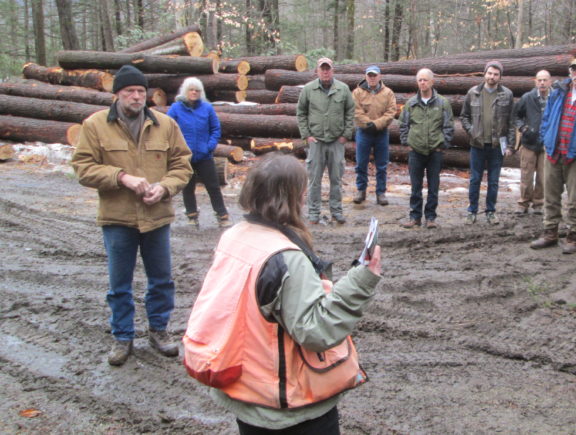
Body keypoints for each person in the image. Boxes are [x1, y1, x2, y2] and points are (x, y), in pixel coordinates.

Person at [187, 153, 381, 434]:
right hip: (291, 407)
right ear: (295, 197)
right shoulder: (285, 258)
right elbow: (316, 331)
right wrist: (363, 280)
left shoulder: (235, 235)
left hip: (250, 393)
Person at [71, 65, 192, 366]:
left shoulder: (165, 124)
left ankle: (159, 331)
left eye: (141, 91)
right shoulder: (95, 125)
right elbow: (83, 168)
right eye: (130, 92)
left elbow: (183, 166)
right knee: (119, 284)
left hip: (157, 216)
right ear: (117, 95)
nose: (137, 97)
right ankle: (122, 336)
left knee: (162, 280)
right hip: (117, 218)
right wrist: (121, 177)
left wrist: (164, 188)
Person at [529, 57, 576, 254]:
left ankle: (573, 236)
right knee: (550, 195)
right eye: (574, 70)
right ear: (570, 73)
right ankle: (550, 233)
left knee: (574, 198)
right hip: (554, 151)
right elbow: (546, 118)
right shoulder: (559, 92)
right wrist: (546, 139)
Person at [297, 57, 355, 225]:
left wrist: (346, 135)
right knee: (314, 180)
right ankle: (314, 213)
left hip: (336, 141)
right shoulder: (308, 89)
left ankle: (336, 211)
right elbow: (301, 113)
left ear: (332, 70)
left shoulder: (343, 89)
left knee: (336, 179)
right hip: (316, 142)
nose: (325, 71)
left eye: (328, 68)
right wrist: (306, 135)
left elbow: (350, 112)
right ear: (317, 71)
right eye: (322, 69)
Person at [166, 77, 229, 228]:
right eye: (191, 90)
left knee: (213, 186)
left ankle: (222, 215)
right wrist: (176, 149)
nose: (194, 92)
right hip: (184, 156)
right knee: (188, 187)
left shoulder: (207, 108)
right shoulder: (175, 108)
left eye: (197, 90)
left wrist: (210, 146)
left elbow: (215, 129)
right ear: (185, 91)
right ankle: (192, 216)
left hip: (204, 155)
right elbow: (167, 130)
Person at [399, 68, 454, 229]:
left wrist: (442, 145)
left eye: (425, 80)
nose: (422, 82)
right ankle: (415, 217)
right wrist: (407, 143)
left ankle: (430, 217)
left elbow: (449, 126)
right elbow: (403, 125)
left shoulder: (442, 103)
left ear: (432, 82)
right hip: (416, 151)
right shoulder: (411, 104)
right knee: (415, 187)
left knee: (433, 186)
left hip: (434, 152)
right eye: (420, 80)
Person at [460, 60, 514, 225]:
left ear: (500, 77)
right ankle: (472, 211)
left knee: (494, 181)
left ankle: (491, 211)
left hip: (497, 145)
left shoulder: (507, 94)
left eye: (496, 74)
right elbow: (464, 117)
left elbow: (511, 122)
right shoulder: (473, 93)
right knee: (475, 179)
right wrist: (472, 131)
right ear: (484, 74)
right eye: (489, 73)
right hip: (477, 145)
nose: (492, 76)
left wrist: (510, 145)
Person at [351, 65, 397, 206]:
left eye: (374, 75)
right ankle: (361, 190)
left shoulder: (388, 93)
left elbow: (391, 112)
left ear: (379, 76)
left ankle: (381, 193)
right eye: (369, 75)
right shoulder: (357, 92)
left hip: (381, 133)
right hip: (363, 132)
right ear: (366, 76)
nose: (372, 78)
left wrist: (376, 124)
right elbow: (356, 111)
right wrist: (367, 124)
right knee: (361, 164)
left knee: (382, 165)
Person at [509, 69, 552, 215]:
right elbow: (516, 115)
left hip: (547, 144)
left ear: (550, 82)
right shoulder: (528, 97)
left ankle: (539, 204)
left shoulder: (556, 98)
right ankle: (523, 203)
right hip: (529, 142)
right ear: (535, 82)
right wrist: (523, 128)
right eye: (539, 80)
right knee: (526, 176)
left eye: (545, 80)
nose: (542, 83)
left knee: (543, 177)